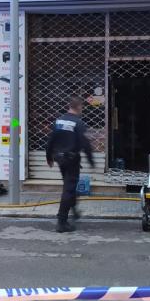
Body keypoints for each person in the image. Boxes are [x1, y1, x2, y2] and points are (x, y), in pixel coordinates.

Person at [46, 96, 95, 233]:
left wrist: (49, 157)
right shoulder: (78, 123)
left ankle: (73, 209)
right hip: (72, 159)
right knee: (69, 189)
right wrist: (91, 160)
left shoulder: (59, 120)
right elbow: (85, 143)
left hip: (59, 158)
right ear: (79, 107)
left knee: (69, 185)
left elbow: (51, 139)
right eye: (82, 107)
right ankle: (62, 222)